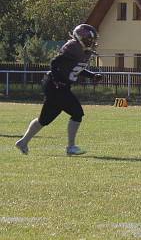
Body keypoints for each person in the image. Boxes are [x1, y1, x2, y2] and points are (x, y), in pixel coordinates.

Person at [15, 24, 103, 156]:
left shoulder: (81, 50)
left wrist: (92, 76)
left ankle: (23, 142)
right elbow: (55, 62)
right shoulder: (73, 47)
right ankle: (71, 147)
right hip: (55, 85)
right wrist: (57, 81)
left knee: (44, 119)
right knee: (77, 112)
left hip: (57, 86)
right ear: (81, 38)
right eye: (90, 39)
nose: (92, 42)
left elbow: (74, 68)